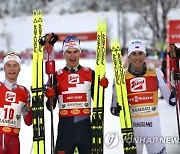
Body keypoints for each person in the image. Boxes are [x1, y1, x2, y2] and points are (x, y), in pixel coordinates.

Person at [45, 35, 108, 154]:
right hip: (65, 129)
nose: (72, 55)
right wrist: (50, 95)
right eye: (68, 52)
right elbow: (50, 107)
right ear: (64, 54)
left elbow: (99, 100)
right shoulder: (56, 76)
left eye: (75, 51)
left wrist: (101, 88)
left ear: (80, 53)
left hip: (85, 129)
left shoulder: (90, 73)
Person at [111, 41, 176, 154]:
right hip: (132, 133)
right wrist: (117, 107)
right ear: (129, 56)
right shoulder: (120, 78)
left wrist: (176, 88)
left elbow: (171, 102)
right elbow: (114, 109)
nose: (137, 57)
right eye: (134, 54)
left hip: (154, 132)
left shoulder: (156, 73)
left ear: (145, 55)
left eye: (140, 53)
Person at [0, 52, 32, 154]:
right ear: (4, 68)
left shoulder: (24, 92)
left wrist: (32, 106)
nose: (12, 69)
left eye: (15, 65)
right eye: (8, 65)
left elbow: (28, 121)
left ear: (20, 68)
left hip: (14, 141)